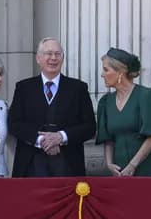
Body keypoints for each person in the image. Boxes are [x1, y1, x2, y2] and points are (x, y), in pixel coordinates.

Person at [8, 38, 97, 177]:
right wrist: (41, 140)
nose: (53, 58)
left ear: (63, 58)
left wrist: (61, 137)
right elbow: (14, 124)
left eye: (57, 54)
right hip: (30, 165)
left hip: (68, 165)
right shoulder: (24, 88)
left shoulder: (78, 88)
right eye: (48, 53)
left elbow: (89, 126)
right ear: (38, 58)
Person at [95, 48, 151, 177]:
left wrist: (133, 164)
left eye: (106, 70)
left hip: (149, 169)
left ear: (120, 72)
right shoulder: (106, 102)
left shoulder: (145, 96)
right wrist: (109, 164)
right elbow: (108, 139)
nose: (102, 74)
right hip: (120, 171)